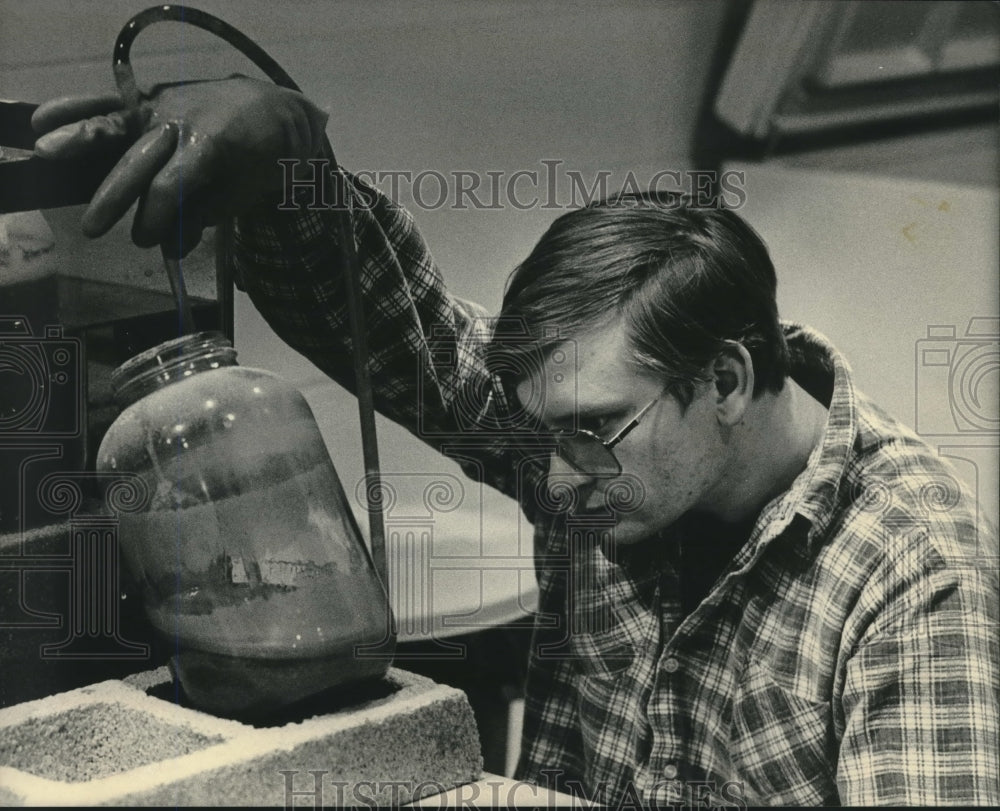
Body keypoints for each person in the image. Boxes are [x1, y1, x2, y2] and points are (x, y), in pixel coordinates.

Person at [33, 76, 999, 807]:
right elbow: (408, 340)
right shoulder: (601, 450)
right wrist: (293, 177)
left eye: (586, 433)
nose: (556, 478)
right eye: (543, 434)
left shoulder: (911, 573)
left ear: (727, 380)